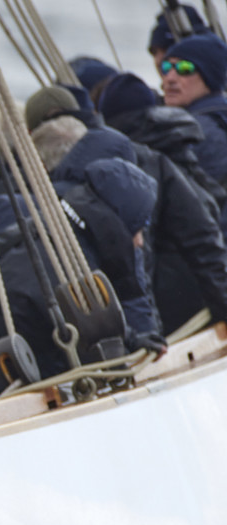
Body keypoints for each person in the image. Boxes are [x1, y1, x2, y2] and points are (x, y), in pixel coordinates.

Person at [0, 127, 160, 399]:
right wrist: (131, 341)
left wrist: (131, 339)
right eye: (137, 228)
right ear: (119, 221)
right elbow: (71, 316)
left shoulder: (64, 231)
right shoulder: (65, 253)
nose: (140, 241)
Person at [98, 73, 227, 331]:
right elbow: (206, 233)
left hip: (172, 309)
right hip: (199, 299)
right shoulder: (179, 146)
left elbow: (140, 257)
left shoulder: (135, 166)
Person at [160, 34, 227, 189]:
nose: (170, 78)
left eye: (184, 68)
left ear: (209, 77)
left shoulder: (199, 132)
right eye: (166, 68)